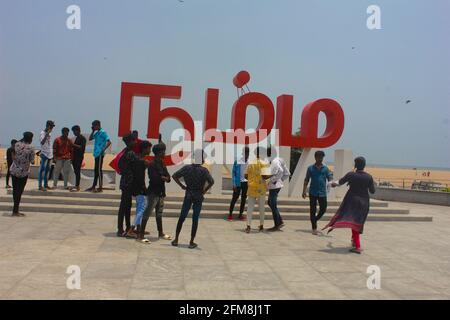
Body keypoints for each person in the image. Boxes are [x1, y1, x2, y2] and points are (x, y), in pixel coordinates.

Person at [324, 157, 376, 254]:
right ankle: (354, 241)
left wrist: (331, 184)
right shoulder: (369, 177)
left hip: (352, 201)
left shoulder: (351, 175)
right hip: (364, 202)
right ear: (364, 165)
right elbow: (372, 191)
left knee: (353, 221)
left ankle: (357, 246)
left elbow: (339, 182)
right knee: (358, 222)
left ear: (355, 165)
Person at [171, 149, 214, 249]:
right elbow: (211, 181)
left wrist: (182, 186)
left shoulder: (187, 168)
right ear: (202, 158)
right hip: (198, 195)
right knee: (195, 219)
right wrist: (204, 190)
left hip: (188, 194)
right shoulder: (204, 170)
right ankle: (191, 242)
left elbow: (174, 176)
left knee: (182, 217)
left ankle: (176, 239)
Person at [138, 142, 172, 242]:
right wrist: (163, 178)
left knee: (159, 213)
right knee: (147, 213)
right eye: (163, 151)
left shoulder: (162, 163)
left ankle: (160, 232)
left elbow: (168, 177)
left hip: (161, 192)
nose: (165, 153)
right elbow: (154, 179)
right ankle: (141, 234)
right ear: (159, 152)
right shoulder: (152, 164)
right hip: (153, 192)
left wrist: (164, 178)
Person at [116, 133, 145, 237]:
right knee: (124, 207)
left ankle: (127, 228)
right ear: (129, 142)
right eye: (134, 140)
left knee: (127, 206)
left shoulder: (125, 152)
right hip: (127, 183)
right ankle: (120, 229)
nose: (136, 142)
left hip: (125, 182)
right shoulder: (130, 153)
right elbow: (138, 164)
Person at [302, 150, 333, 235]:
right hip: (313, 192)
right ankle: (314, 227)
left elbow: (329, 177)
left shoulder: (325, 169)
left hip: (322, 192)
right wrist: (304, 191)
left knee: (323, 209)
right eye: (318, 157)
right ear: (315, 157)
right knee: (313, 210)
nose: (320, 158)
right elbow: (306, 179)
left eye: (321, 157)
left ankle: (315, 219)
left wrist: (331, 182)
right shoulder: (310, 168)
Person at [128, 140, 152, 241]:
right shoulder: (141, 161)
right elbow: (139, 177)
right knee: (142, 209)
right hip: (139, 188)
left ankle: (138, 229)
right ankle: (131, 230)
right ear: (145, 149)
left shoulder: (138, 159)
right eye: (149, 148)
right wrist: (144, 187)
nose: (150, 150)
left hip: (136, 187)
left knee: (139, 208)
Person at [245, 147, 271, 234]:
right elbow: (264, 176)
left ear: (255, 153)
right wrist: (272, 175)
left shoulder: (250, 162)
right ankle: (261, 225)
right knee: (261, 208)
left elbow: (245, 175)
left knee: (250, 208)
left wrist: (252, 178)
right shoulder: (265, 163)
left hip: (252, 187)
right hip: (261, 188)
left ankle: (248, 226)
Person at [9, 132, 35, 217]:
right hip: (23, 172)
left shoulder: (16, 144)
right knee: (19, 192)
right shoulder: (31, 148)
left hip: (14, 170)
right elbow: (32, 161)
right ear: (30, 138)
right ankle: (15, 211)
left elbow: (12, 153)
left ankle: (15, 210)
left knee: (15, 190)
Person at [267, 148, 291, 231]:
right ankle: (279, 221)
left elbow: (280, 171)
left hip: (274, 186)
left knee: (273, 204)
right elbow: (287, 173)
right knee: (270, 203)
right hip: (277, 185)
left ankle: (278, 224)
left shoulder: (274, 161)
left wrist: (274, 180)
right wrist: (280, 180)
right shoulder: (280, 160)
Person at [87, 120, 111, 193]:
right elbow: (90, 138)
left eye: (93, 126)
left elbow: (109, 142)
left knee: (99, 170)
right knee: (96, 170)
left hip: (100, 153)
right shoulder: (97, 133)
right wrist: (92, 131)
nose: (93, 127)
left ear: (97, 125)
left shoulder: (103, 132)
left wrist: (103, 149)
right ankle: (93, 186)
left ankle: (100, 187)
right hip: (96, 153)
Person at [227, 146, 250, 221]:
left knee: (243, 199)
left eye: (247, 153)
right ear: (242, 153)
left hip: (246, 183)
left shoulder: (249, 163)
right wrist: (234, 183)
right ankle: (230, 214)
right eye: (245, 152)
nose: (246, 154)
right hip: (238, 183)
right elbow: (233, 173)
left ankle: (240, 215)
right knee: (234, 198)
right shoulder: (237, 161)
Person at [38, 120, 55, 191]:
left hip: (50, 154)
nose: (52, 129)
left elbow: (49, 144)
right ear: (48, 126)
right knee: (42, 170)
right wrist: (47, 134)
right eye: (51, 127)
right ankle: (40, 186)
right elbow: (42, 142)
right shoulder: (42, 133)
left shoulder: (50, 134)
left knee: (48, 170)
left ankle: (46, 184)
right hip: (44, 154)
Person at [70, 125, 86, 192]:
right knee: (76, 172)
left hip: (79, 157)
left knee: (77, 172)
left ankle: (77, 186)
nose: (74, 133)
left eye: (74, 131)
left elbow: (81, 147)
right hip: (75, 157)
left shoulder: (82, 138)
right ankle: (76, 185)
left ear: (78, 130)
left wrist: (73, 145)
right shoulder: (77, 138)